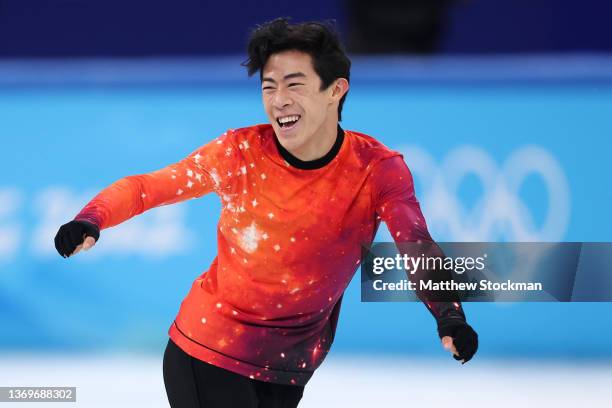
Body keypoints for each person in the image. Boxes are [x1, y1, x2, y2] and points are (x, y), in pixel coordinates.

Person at [54, 18, 478, 408]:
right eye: (268, 86)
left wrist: (449, 314)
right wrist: (91, 218)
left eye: (294, 84)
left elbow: (415, 244)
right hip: (208, 351)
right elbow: (147, 188)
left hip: (289, 369)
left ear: (336, 90)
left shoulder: (377, 169)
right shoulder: (239, 153)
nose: (279, 101)